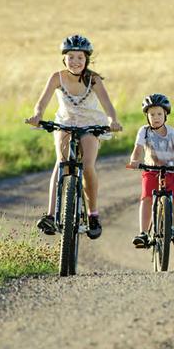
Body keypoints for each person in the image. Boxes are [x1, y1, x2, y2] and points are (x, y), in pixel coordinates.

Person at [25, 34, 122, 239]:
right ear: (64, 58)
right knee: (61, 163)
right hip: (65, 123)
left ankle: (93, 214)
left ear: (87, 59)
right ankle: (51, 214)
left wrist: (112, 120)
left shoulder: (93, 79)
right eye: (71, 57)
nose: (75, 62)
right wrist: (37, 115)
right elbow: (41, 102)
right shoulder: (56, 77)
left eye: (80, 57)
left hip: (90, 124)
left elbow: (108, 105)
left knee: (87, 166)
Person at [126, 93, 174, 250]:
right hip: (151, 170)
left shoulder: (172, 133)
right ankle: (144, 233)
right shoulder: (144, 131)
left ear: (166, 114)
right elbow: (138, 148)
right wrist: (134, 160)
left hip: (171, 170)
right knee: (146, 198)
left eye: (159, 113)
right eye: (152, 114)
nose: (156, 117)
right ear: (147, 116)